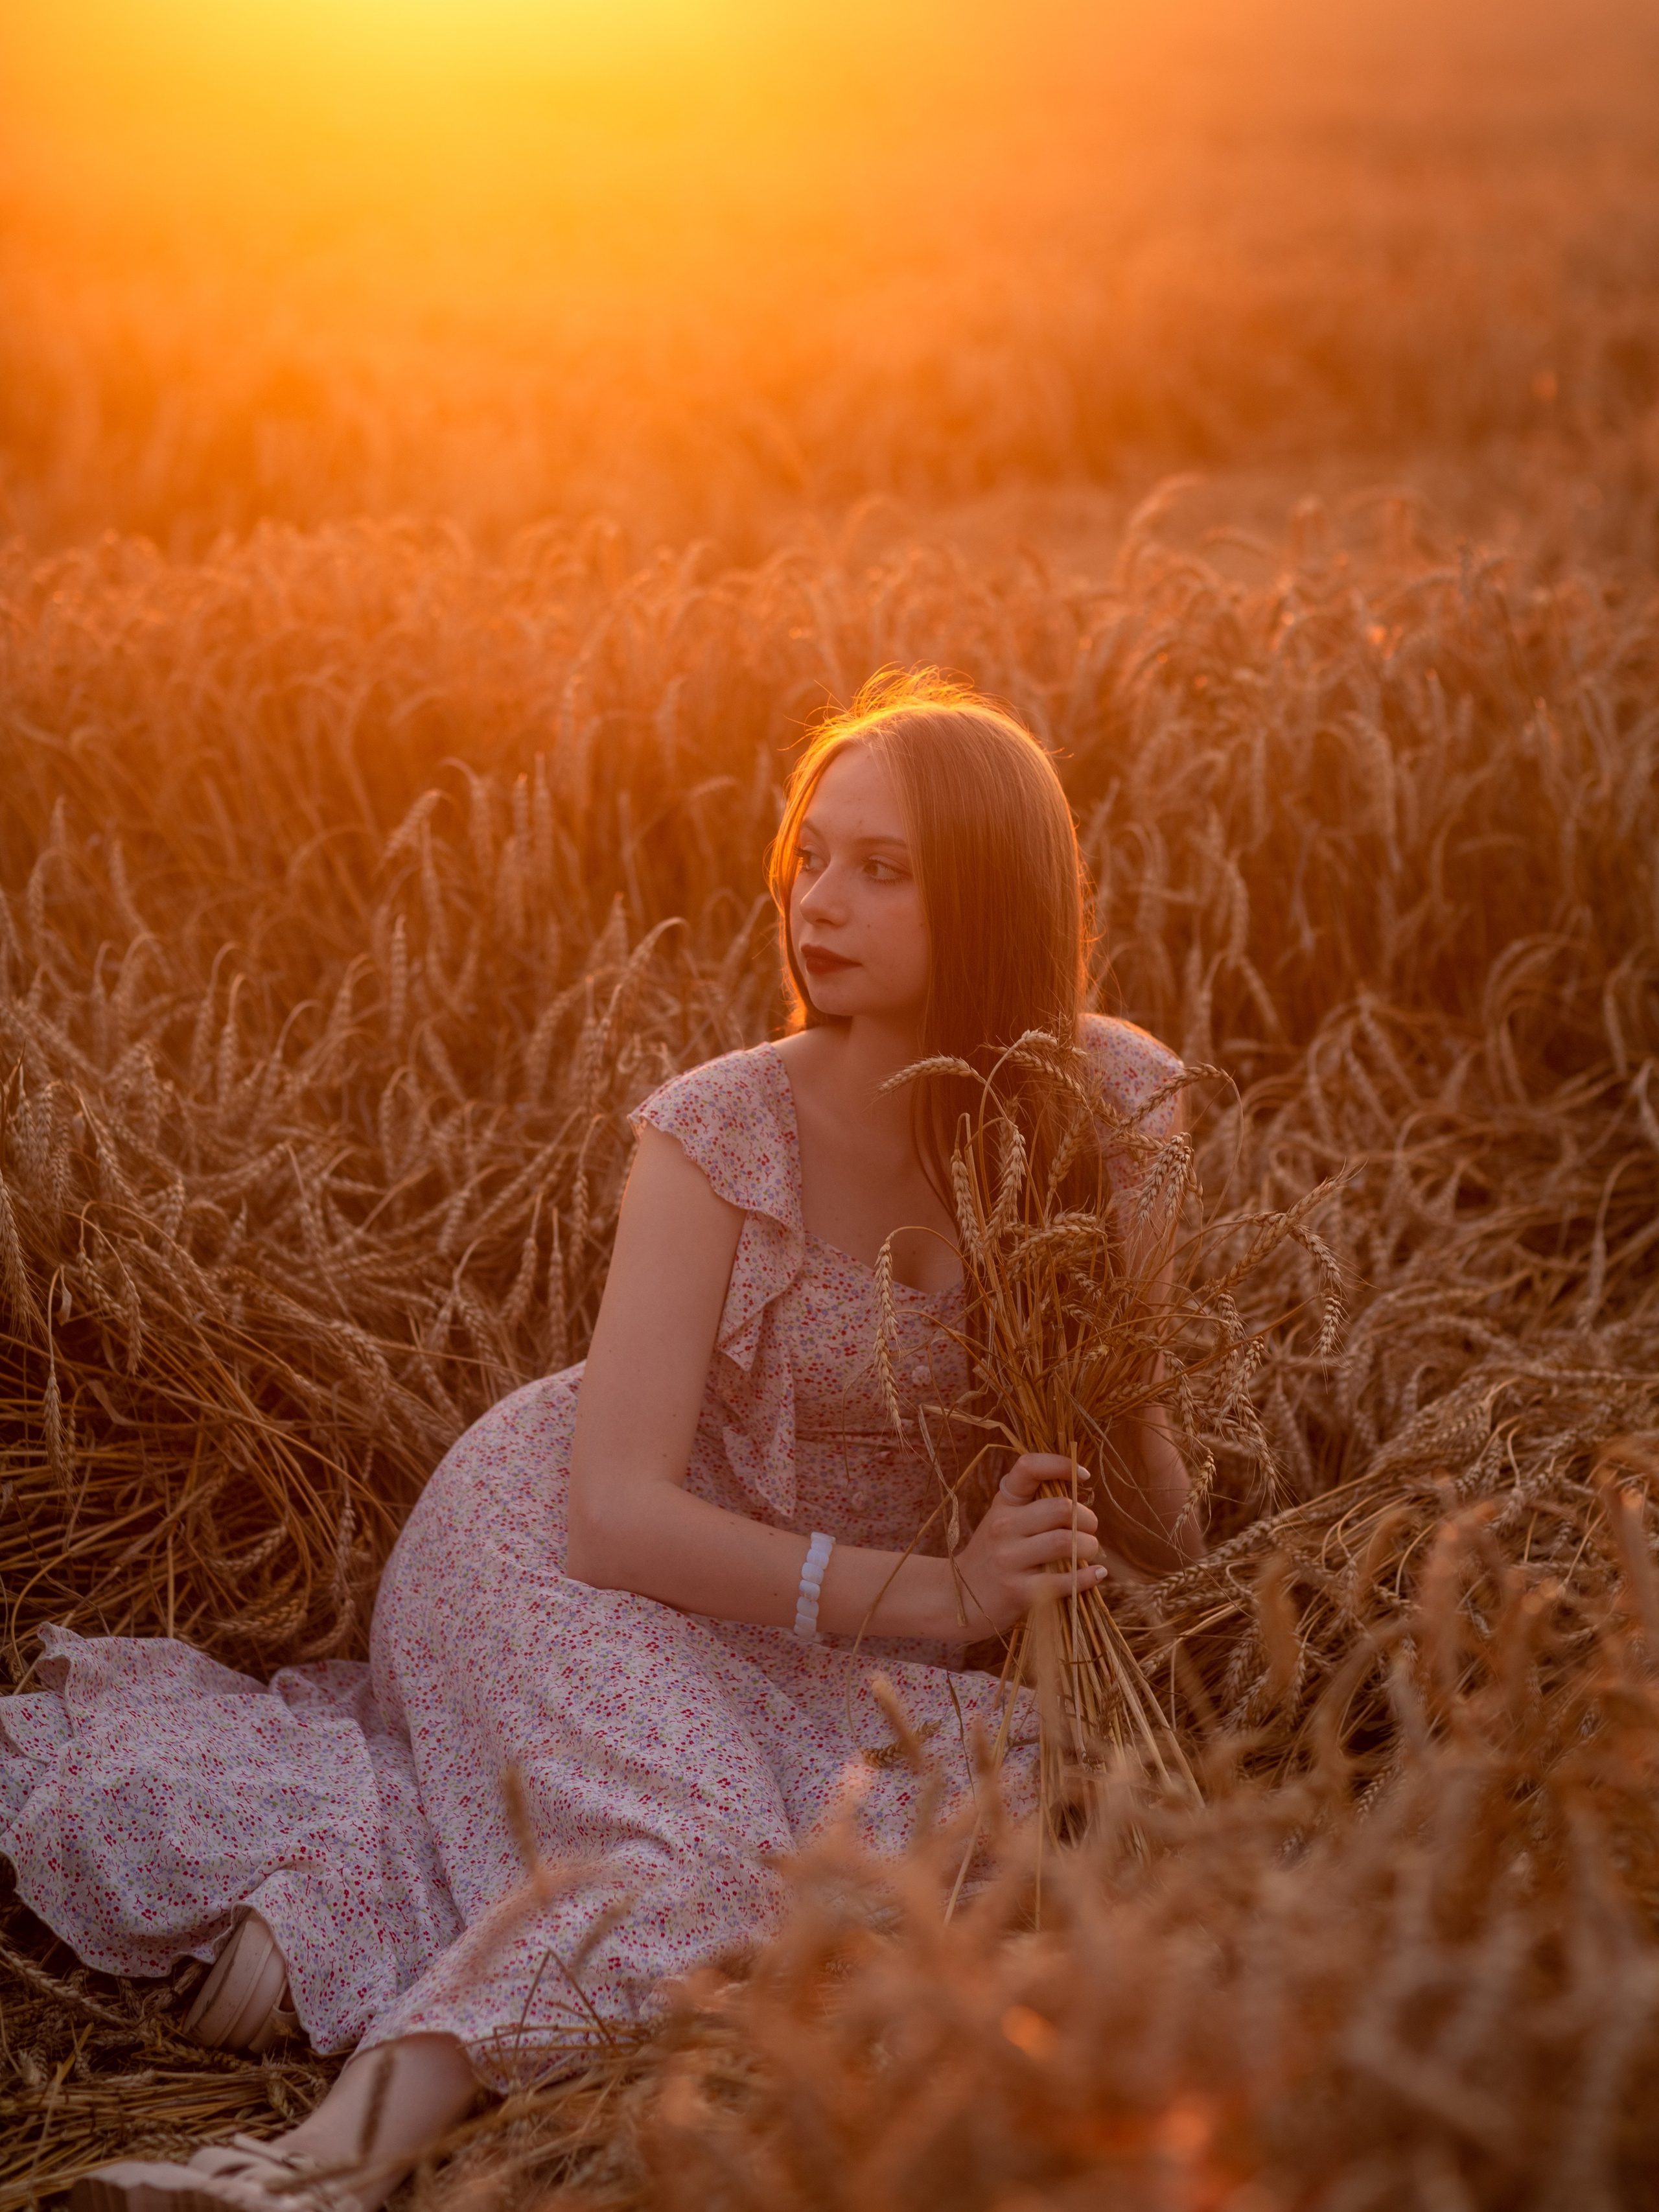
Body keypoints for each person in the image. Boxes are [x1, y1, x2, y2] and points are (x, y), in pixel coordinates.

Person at [3, 671, 1200, 2212]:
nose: (816, 903)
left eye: (880, 870)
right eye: (809, 855)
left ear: (993, 894)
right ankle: (301, 2174)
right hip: (575, 1546)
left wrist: (1193, 1597)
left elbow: (1129, 1414)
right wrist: (951, 1598)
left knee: (983, 1850)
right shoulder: (715, 1132)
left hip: (835, 1628)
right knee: (667, 1865)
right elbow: (615, 1517)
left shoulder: (1116, 1099)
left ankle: (336, 1896)